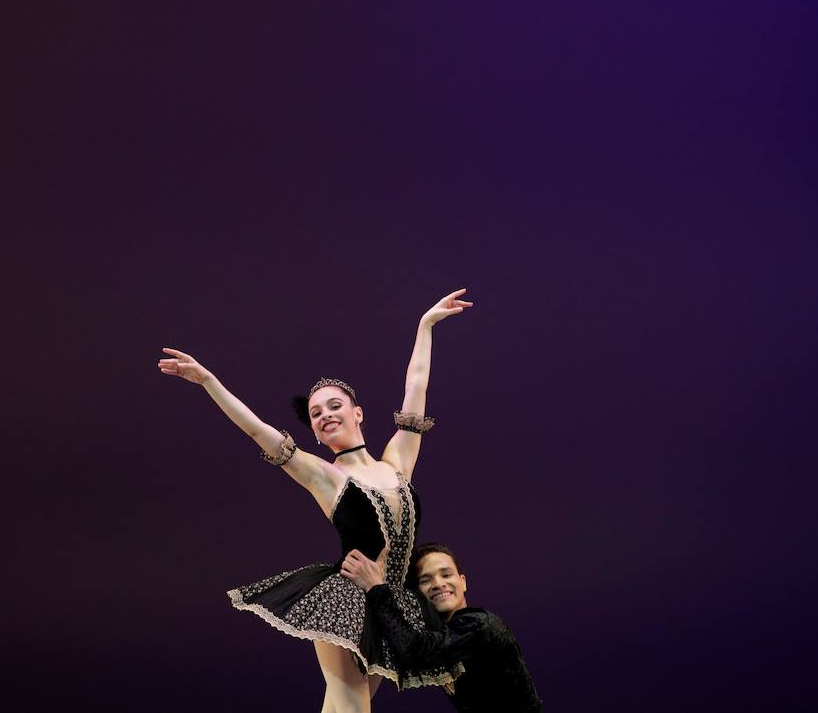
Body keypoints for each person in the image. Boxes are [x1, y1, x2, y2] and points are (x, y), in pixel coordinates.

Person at [157, 290, 473, 713]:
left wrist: (425, 326)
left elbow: (416, 387)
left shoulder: (397, 462)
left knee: (343, 706)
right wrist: (209, 382)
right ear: (316, 434)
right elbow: (257, 430)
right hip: (344, 599)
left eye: (334, 406)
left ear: (358, 413)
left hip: (391, 601)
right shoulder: (327, 477)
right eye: (316, 415)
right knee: (351, 703)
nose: (325, 415)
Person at [340, 542, 544, 712]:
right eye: (425, 580)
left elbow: (415, 650)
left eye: (446, 575)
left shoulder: (481, 625)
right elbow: (402, 640)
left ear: (463, 582)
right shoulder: (441, 633)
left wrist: (376, 588)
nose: (438, 584)